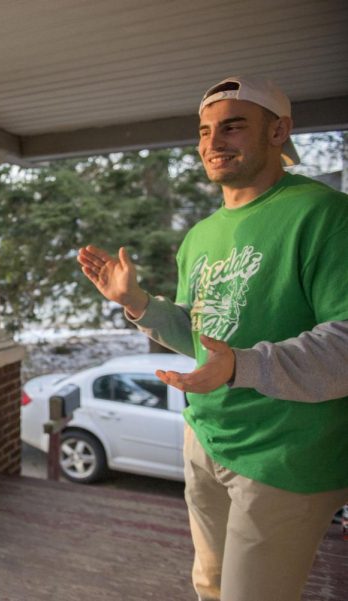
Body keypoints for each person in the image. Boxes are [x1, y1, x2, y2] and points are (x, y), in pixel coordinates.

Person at [77, 76, 348, 601]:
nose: (212, 142)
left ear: (279, 131)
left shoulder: (325, 215)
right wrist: (137, 304)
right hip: (205, 437)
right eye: (204, 131)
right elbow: (207, 339)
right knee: (210, 584)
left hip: (285, 453)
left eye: (233, 126)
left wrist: (241, 366)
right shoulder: (201, 235)